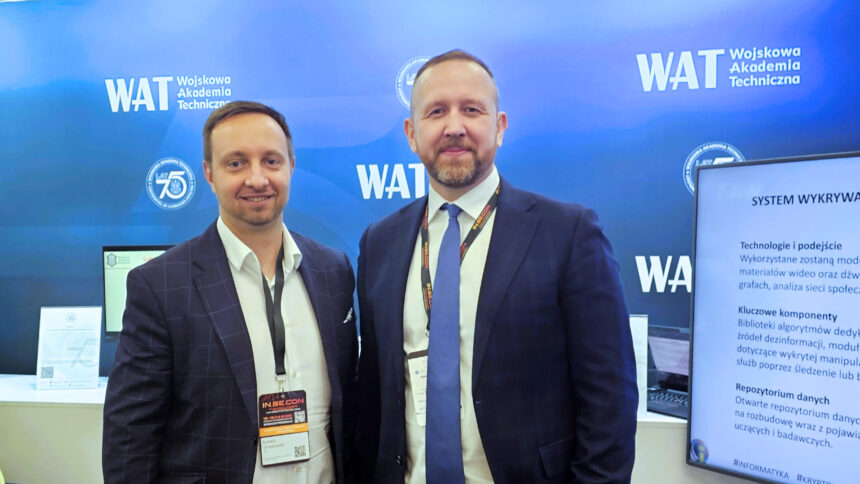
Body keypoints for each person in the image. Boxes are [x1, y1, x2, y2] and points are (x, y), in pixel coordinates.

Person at [354, 50, 637, 483]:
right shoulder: (380, 243)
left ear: (500, 127)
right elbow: (373, 393)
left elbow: (609, 400)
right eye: (436, 112)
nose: (454, 126)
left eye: (471, 109)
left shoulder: (568, 233)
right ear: (411, 134)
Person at [103, 101, 357, 484]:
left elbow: (350, 405)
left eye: (271, 161)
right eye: (236, 163)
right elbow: (130, 436)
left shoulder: (332, 270)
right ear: (209, 173)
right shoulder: (160, 285)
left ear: (291, 166)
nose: (257, 179)